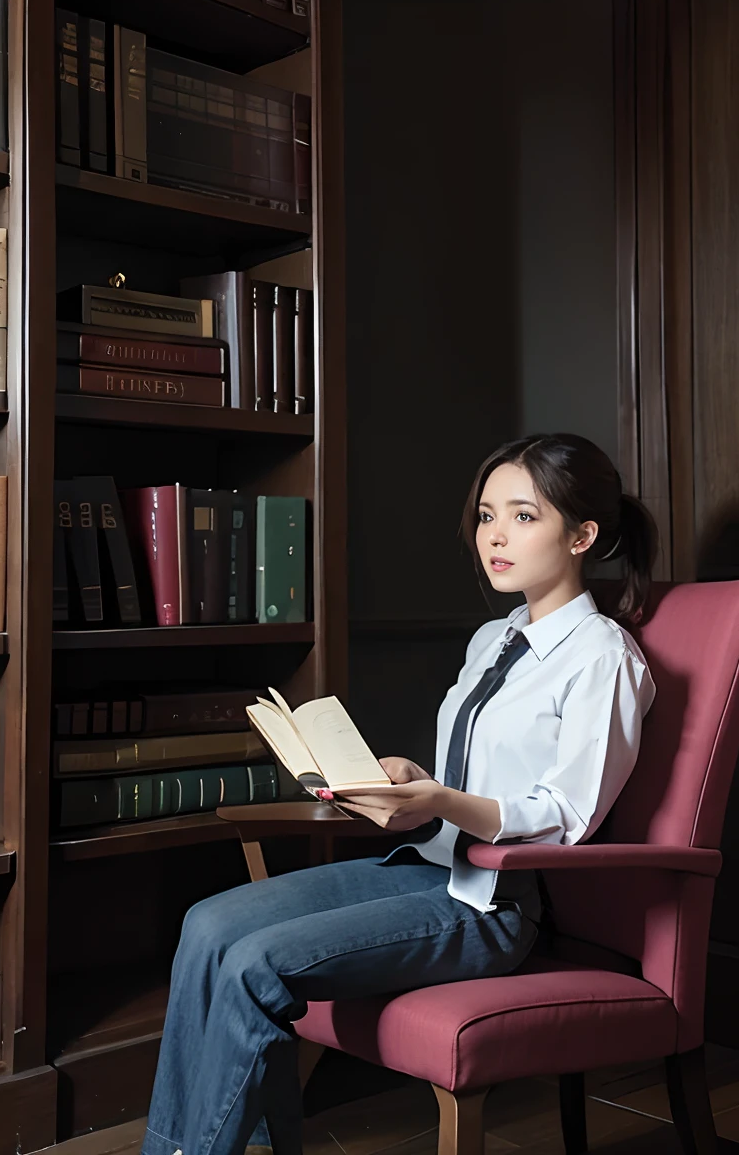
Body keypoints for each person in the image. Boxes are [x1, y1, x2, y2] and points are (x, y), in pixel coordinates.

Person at [141, 433, 659, 1155]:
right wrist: (416, 782)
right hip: (422, 871)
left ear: (584, 535)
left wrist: (444, 803)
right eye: (485, 516)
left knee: (256, 965)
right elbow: (471, 778)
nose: (495, 536)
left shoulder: (604, 657)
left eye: (523, 516)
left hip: (489, 906)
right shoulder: (494, 640)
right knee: (205, 925)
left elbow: (565, 817)